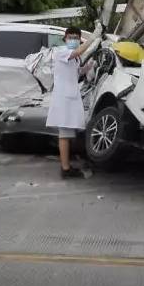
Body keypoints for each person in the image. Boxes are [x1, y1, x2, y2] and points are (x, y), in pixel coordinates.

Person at [46, 23, 103, 179]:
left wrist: (90, 65)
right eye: (71, 38)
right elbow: (79, 51)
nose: (74, 40)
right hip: (64, 99)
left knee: (69, 133)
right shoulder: (61, 52)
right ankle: (65, 169)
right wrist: (94, 37)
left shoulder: (75, 58)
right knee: (64, 134)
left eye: (77, 38)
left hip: (71, 98)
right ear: (65, 39)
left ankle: (67, 165)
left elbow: (76, 74)